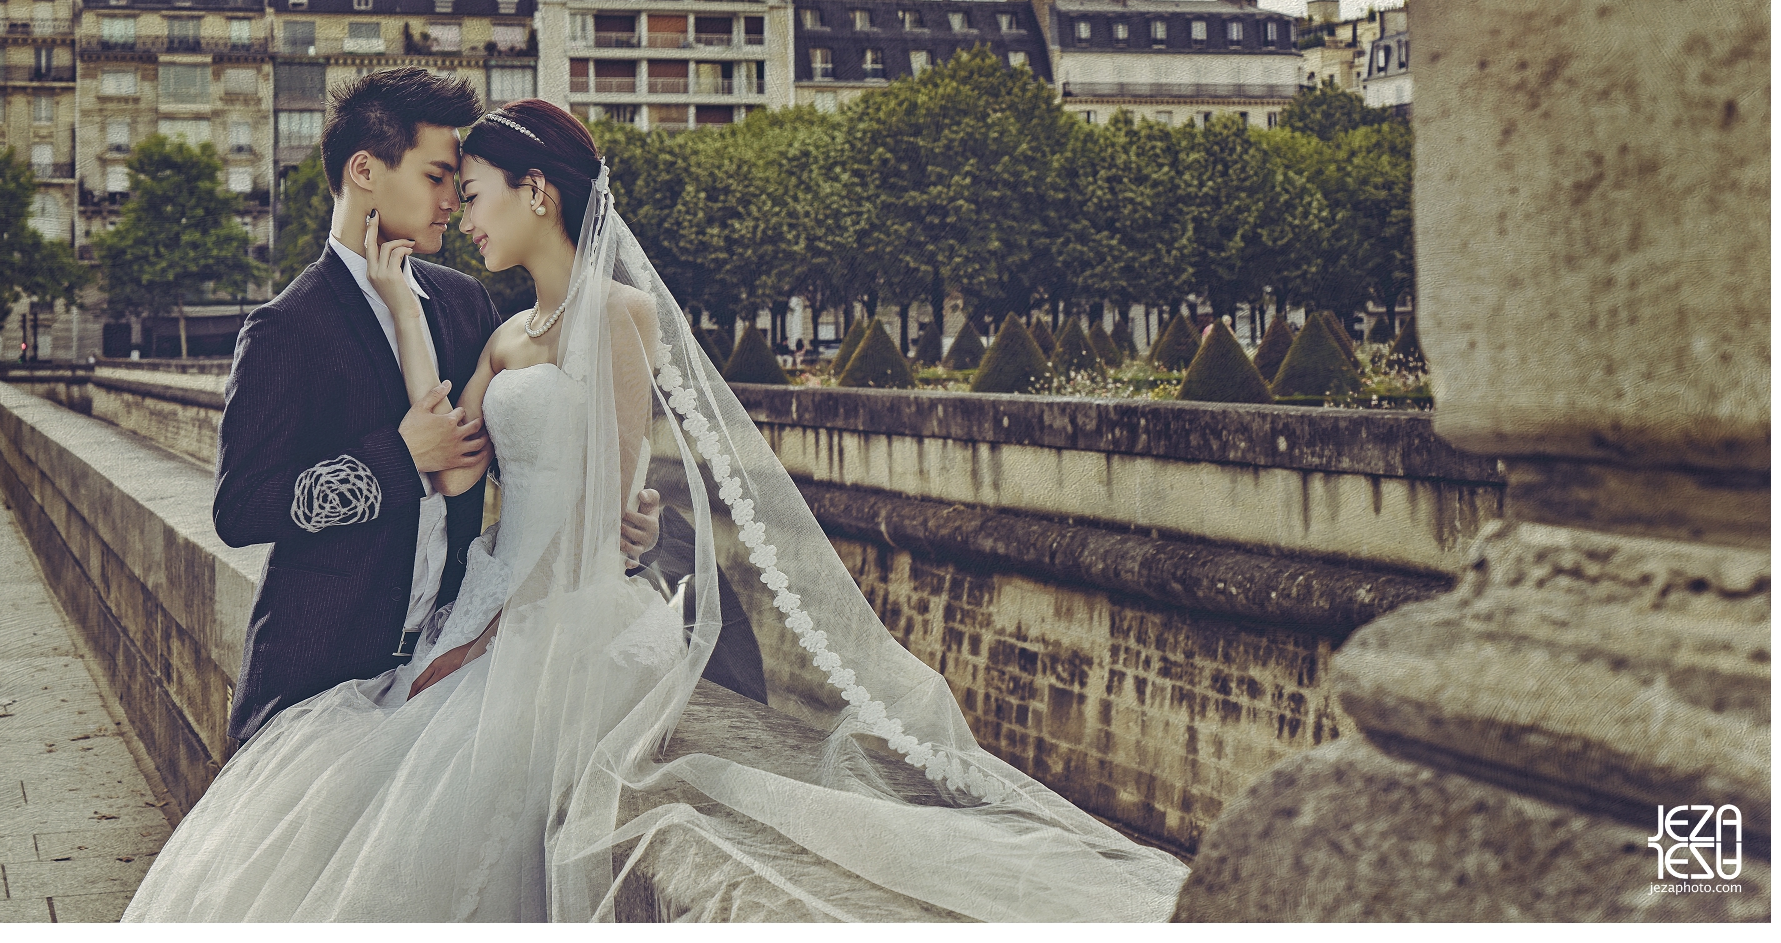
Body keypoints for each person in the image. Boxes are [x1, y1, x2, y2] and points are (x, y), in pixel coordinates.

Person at [124, 96, 1188, 923]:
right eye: (442, 178)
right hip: (352, 645)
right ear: (369, 172)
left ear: (535, 192)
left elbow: (589, 485)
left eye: (471, 184)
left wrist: (617, 530)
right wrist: (399, 429)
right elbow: (297, 495)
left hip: (531, 615)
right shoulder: (334, 320)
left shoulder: (486, 302)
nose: (457, 204)